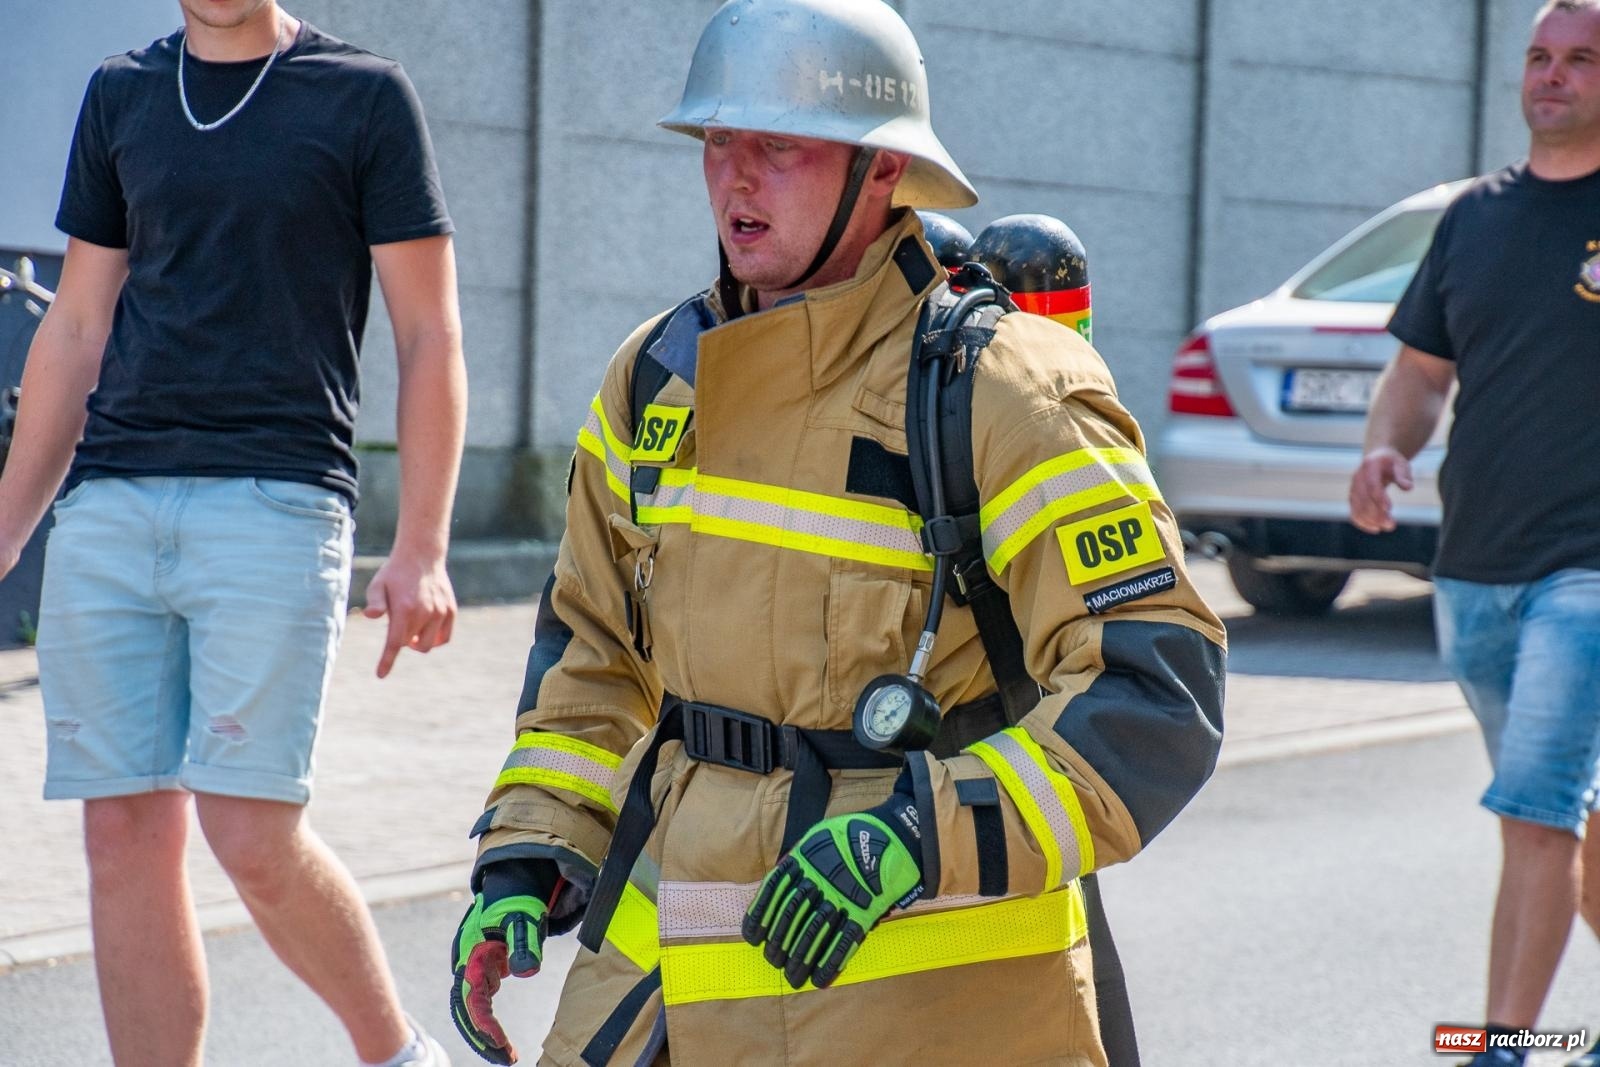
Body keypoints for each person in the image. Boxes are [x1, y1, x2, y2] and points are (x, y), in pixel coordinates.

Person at [448, 1, 1225, 1064]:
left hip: (931, 1018)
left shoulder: (1004, 391)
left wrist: (921, 830)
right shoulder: (654, 377)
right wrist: (527, 851)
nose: (736, 178)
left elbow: (1153, 696)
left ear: (881, 173)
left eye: (779, 146)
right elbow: (591, 654)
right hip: (661, 995)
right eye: (719, 141)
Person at [0, 1, 466, 1064]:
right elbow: (76, 326)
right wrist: (9, 523)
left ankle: (397, 1052)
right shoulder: (122, 92)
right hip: (112, 504)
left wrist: (424, 545)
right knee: (121, 836)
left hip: (278, 499)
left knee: (249, 829)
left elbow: (429, 331)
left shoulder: (363, 96)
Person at [1349, 3, 1600, 1064]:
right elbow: (1420, 369)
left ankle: (1496, 1044)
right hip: (1473, 569)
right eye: (1540, 57)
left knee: (1532, 812)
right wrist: (1381, 448)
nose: (1553, 75)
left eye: (1582, 58)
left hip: (1587, 573)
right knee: (1565, 830)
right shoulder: (1473, 216)